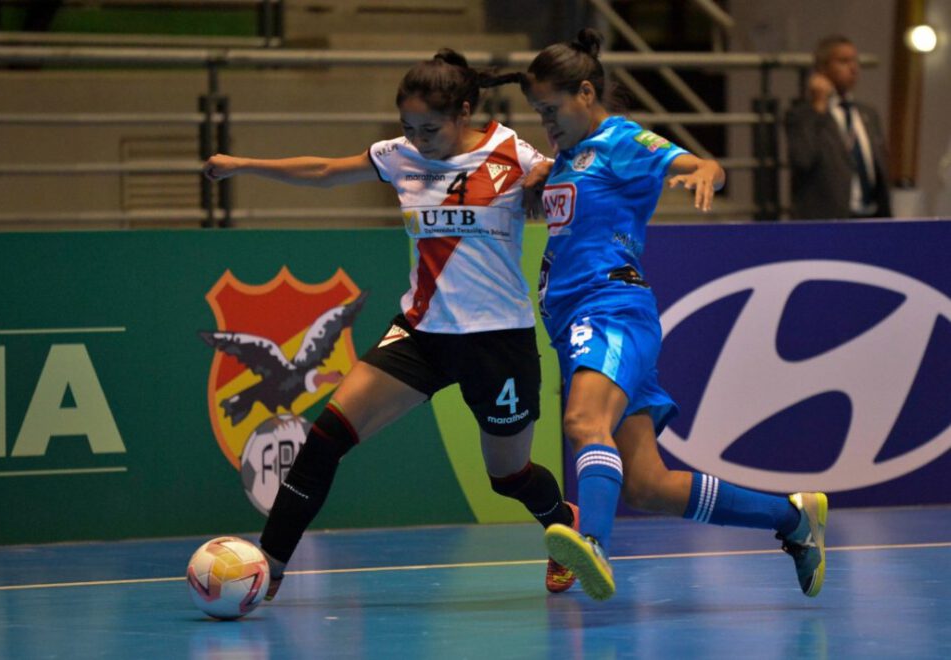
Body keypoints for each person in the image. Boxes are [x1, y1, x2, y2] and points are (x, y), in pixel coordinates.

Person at [203, 49, 581, 600]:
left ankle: (562, 523)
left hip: (498, 342)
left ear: (465, 112)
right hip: (421, 334)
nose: (419, 138)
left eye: (430, 127)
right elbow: (325, 172)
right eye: (408, 127)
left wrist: (550, 178)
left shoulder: (511, 152)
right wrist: (242, 164)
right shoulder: (400, 157)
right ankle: (271, 567)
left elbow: (562, 192)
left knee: (508, 476)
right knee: (324, 439)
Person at [511, 29, 828, 601]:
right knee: (649, 485)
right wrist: (541, 180)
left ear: (587, 92)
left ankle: (597, 549)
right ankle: (792, 519)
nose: (545, 123)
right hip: (575, 325)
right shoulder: (565, 157)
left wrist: (708, 171)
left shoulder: (621, 139)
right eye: (537, 113)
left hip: (610, 310)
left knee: (585, 423)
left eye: (551, 110)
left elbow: (698, 162)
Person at [785, 34, 892, 220]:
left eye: (855, 61)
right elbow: (802, 159)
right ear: (822, 69)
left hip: (871, 216)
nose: (853, 68)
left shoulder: (868, 114)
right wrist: (818, 108)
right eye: (843, 61)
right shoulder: (802, 115)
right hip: (829, 221)